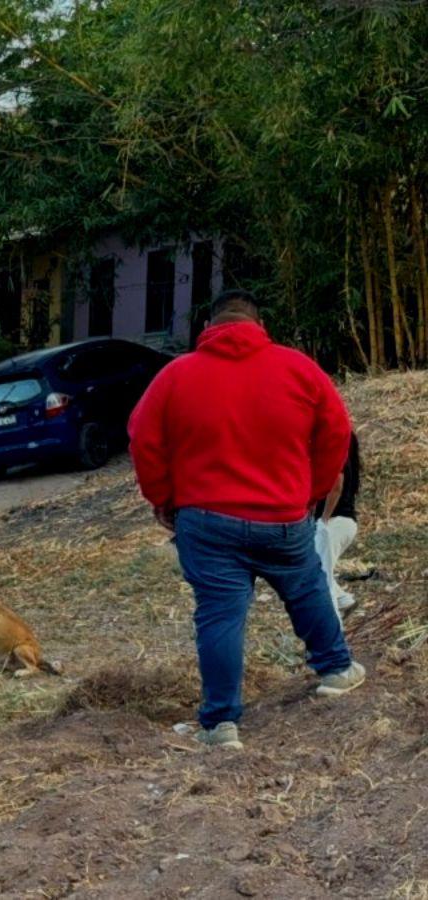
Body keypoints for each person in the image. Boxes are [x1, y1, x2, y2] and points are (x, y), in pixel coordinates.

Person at [128, 288, 365, 750]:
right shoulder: (298, 368)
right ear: (259, 326)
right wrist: (311, 492)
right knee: (308, 587)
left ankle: (221, 725)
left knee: (219, 615)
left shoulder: (176, 376)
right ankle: (336, 670)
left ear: (208, 328)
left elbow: (141, 437)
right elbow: (338, 429)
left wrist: (163, 498)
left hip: (205, 521)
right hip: (283, 515)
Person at [316, 432, 361, 618]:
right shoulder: (350, 461)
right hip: (344, 522)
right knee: (314, 569)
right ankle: (343, 599)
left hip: (333, 522)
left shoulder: (336, 456)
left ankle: (333, 633)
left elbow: (336, 486)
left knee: (321, 579)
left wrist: (324, 518)